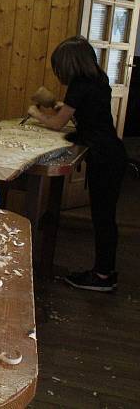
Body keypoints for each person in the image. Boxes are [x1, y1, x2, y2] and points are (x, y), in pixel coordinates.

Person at [27, 36, 127, 292]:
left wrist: (36, 113)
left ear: (69, 65)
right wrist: (61, 107)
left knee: (103, 217)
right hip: (112, 152)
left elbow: (58, 124)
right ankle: (106, 271)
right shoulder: (98, 77)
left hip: (104, 157)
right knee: (105, 217)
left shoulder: (78, 85)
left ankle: (103, 276)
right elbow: (87, 109)